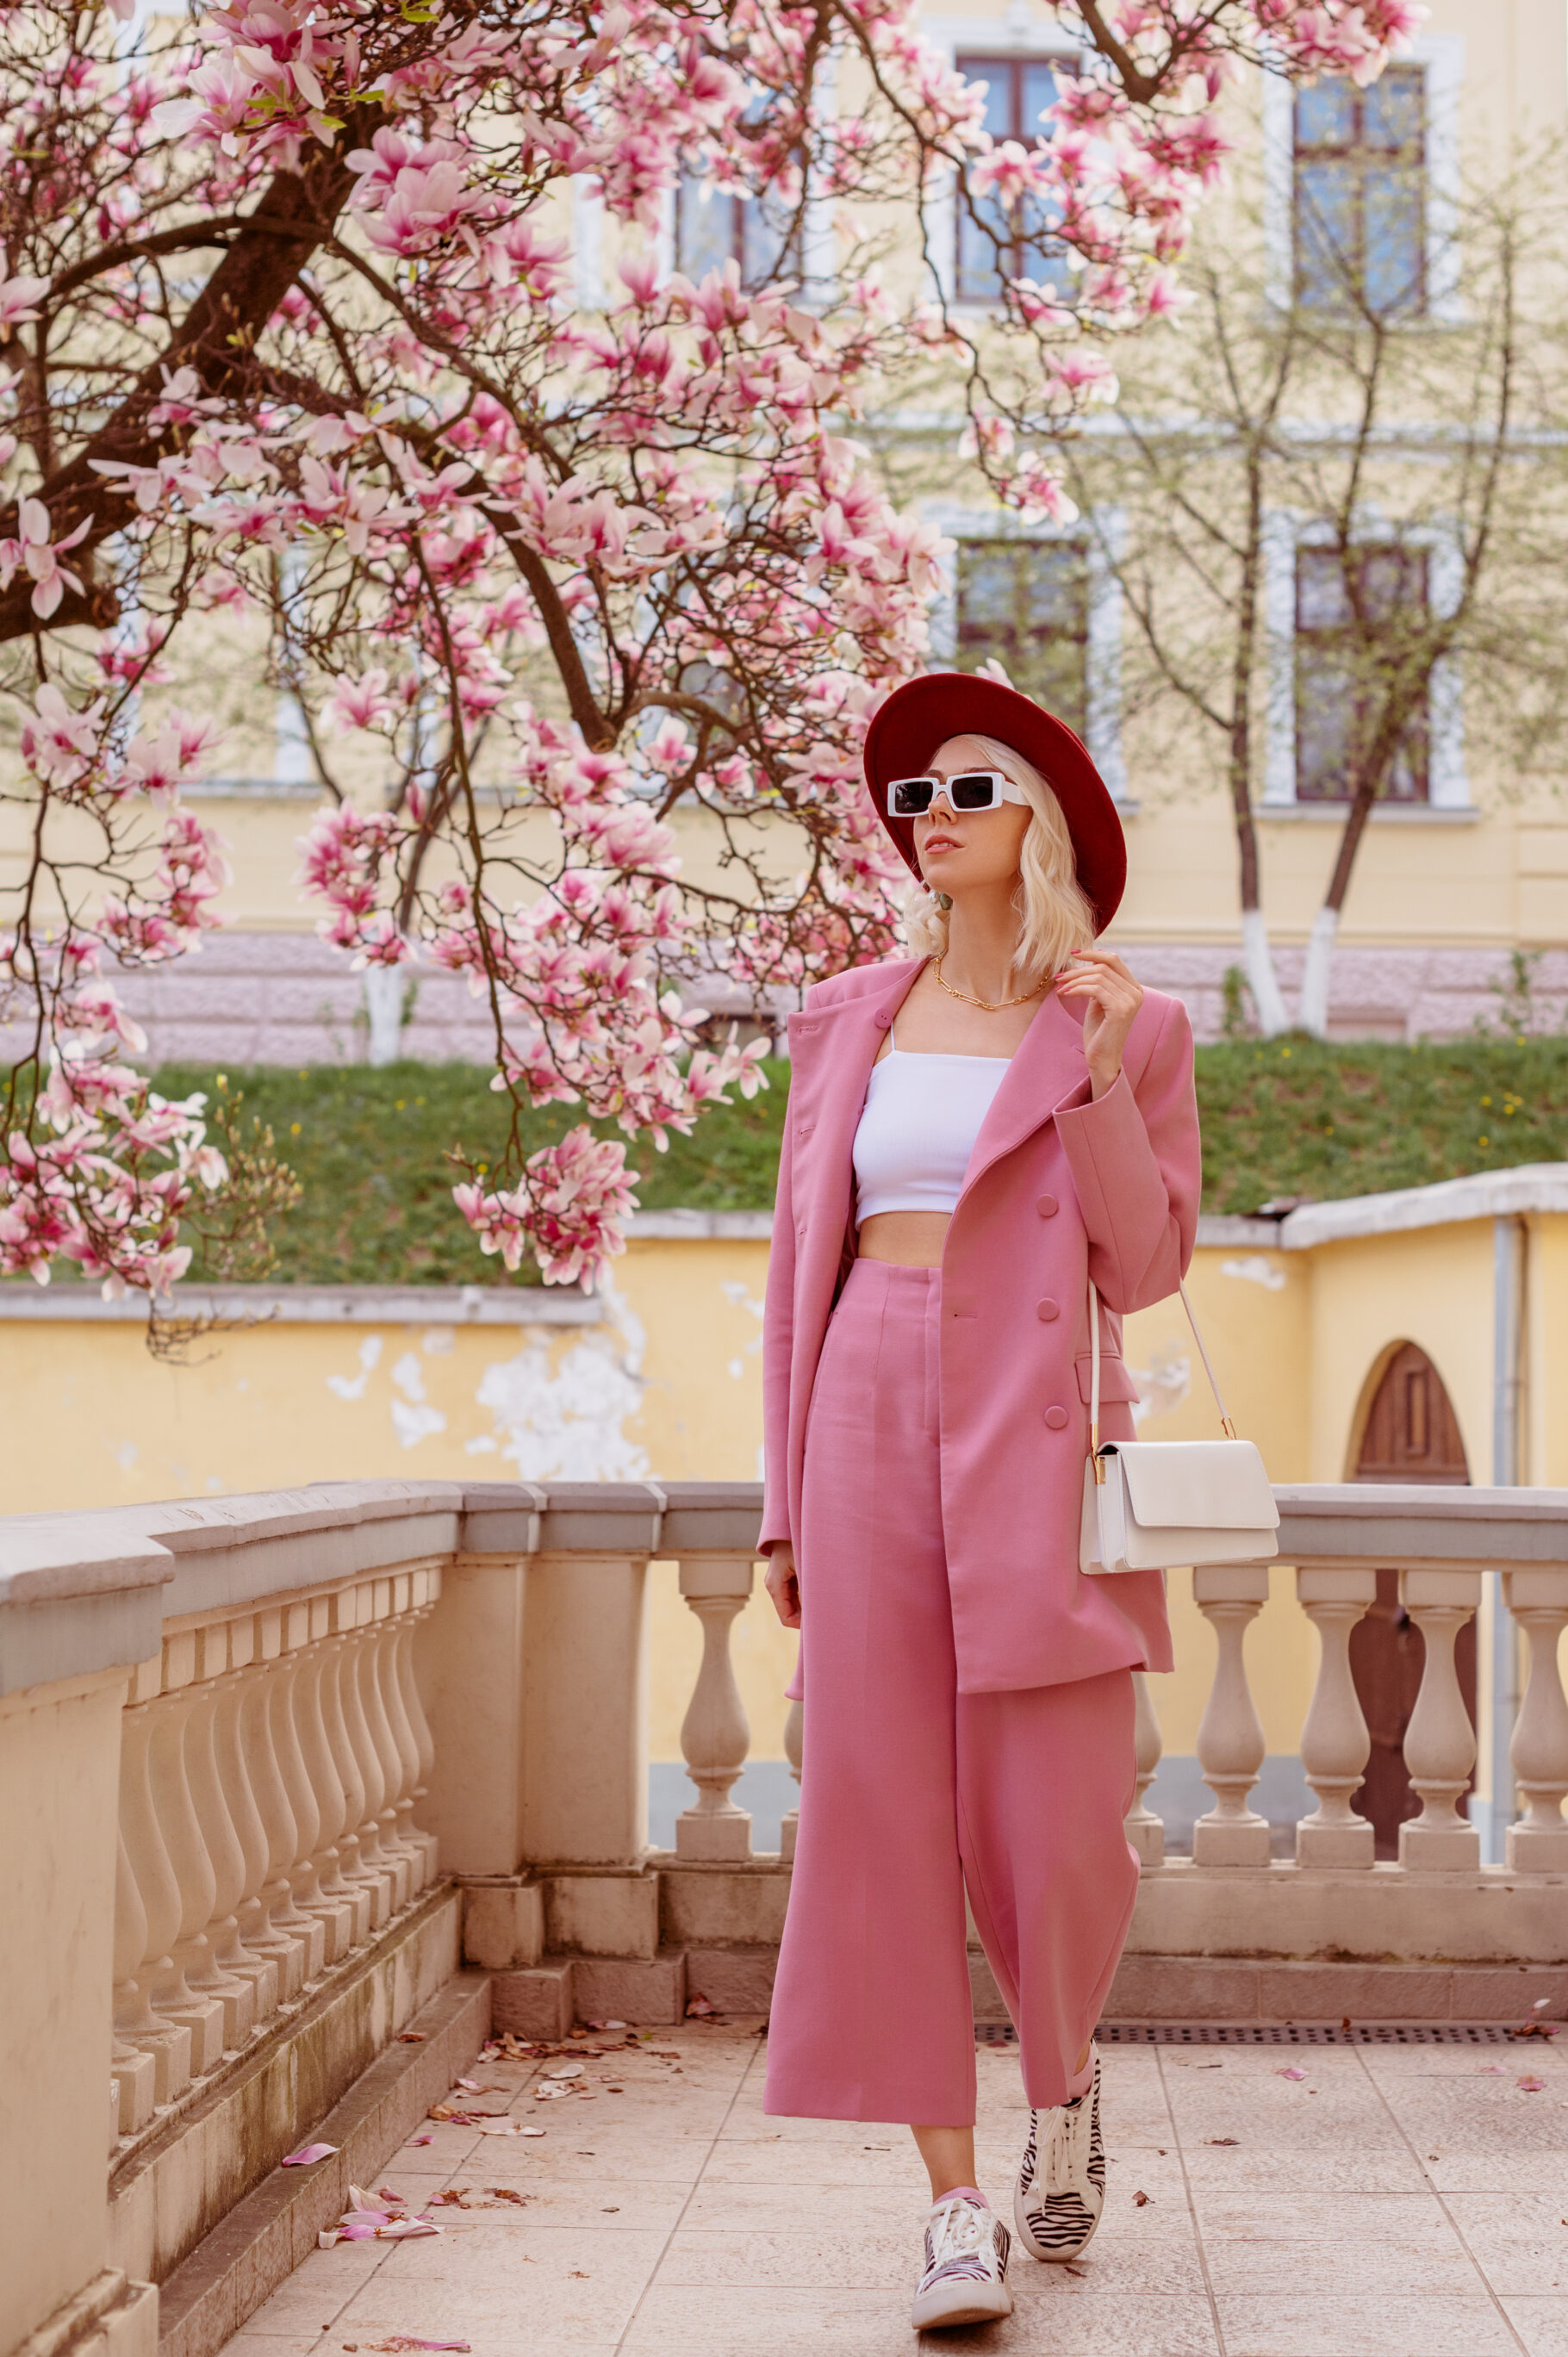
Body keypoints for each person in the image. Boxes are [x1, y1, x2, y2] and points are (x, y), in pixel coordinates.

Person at [757, 672, 1200, 2331]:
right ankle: (952, 2209)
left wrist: (1089, 1074)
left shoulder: (1128, 1027)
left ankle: (1064, 2079)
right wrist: (785, 1499)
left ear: (1041, 824)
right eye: (909, 802)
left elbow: (1144, 1268)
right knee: (876, 1815)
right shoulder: (849, 1014)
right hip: (867, 1391)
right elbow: (800, 1262)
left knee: (1058, 1822)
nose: (925, 823)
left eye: (960, 793)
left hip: (1035, 1419)